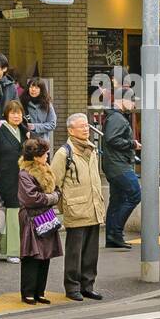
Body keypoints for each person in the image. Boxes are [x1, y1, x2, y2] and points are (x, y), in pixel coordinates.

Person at [52, 112, 105, 302]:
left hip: (93, 206)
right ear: (70, 130)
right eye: (81, 126)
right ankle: (72, 286)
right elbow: (53, 182)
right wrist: (63, 205)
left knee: (91, 251)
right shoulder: (64, 153)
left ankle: (88, 285)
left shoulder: (92, 149)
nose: (85, 129)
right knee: (75, 251)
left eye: (86, 126)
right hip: (75, 208)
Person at [18, 136, 62, 304]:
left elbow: (56, 189)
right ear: (36, 156)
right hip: (31, 217)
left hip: (45, 216)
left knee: (45, 255)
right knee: (32, 255)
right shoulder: (25, 173)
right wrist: (53, 197)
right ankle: (28, 292)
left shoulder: (46, 168)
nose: (47, 156)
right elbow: (31, 198)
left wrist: (53, 195)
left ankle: (40, 291)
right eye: (44, 154)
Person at [0, 99, 27, 263]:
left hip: (23, 177)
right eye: (13, 113)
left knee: (18, 213)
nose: (17, 116)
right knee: (10, 213)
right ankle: (12, 251)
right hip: (5, 177)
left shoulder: (24, 132)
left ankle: (15, 248)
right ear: (6, 115)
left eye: (19, 113)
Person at [102, 97, 140, 251]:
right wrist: (132, 144)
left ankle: (112, 236)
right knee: (135, 194)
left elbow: (112, 139)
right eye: (131, 100)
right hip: (119, 165)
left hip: (114, 164)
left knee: (117, 199)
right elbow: (112, 139)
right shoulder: (117, 118)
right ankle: (116, 232)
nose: (134, 104)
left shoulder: (114, 116)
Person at [23, 78, 57, 145]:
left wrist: (35, 126)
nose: (33, 89)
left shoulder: (47, 104)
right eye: (31, 87)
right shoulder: (22, 103)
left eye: (37, 87)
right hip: (26, 142)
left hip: (42, 143)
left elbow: (52, 124)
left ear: (42, 90)